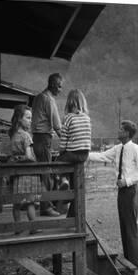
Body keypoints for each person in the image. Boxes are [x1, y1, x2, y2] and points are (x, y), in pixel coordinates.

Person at [88, 120, 138, 275]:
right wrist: (84, 154)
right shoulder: (118, 148)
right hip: (121, 192)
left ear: (127, 133)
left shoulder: (135, 148)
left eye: (121, 129)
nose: (118, 131)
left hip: (131, 190)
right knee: (123, 225)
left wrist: (127, 181)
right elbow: (101, 156)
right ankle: (128, 261)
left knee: (130, 227)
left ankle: (134, 265)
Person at [31, 73, 63, 217]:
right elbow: (57, 126)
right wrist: (68, 141)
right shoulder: (49, 100)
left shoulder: (38, 97)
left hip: (37, 138)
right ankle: (46, 207)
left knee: (43, 173)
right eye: (59, 86)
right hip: (43, 138)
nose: (61, 89)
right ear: (53, 84)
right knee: (46, 174)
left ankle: (46, 203)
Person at [58, 89, 92, 217]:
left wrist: (61, 152)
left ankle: (63, 180)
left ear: (69, 103)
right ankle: (72, 215)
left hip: (71, 153)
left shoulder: (68, 118)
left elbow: (63, 140)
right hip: (84, 155)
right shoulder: (87, 118)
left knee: (56, 164)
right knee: (76, 184)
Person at [9, 105, 42, 234]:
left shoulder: (13, 135)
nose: (30, 120)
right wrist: (33, 160)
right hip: (28, 173)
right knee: (30, 202)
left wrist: (16, 159)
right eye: (28, 118)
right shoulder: (26, 136)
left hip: (18, 174)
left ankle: (18, 229)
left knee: (17, 202)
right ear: (19, 119)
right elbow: (29, 156)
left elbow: (13, 155)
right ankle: (33, 228)